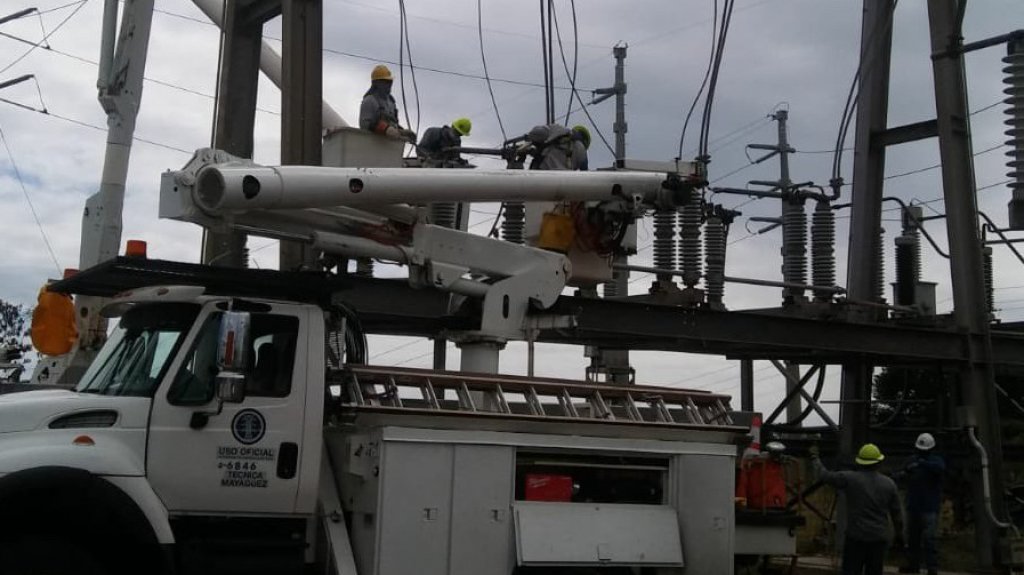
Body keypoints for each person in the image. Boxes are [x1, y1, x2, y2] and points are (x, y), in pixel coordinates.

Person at [810, 443, 904, 575]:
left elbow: (824, 475)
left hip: (856, 538)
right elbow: (897, 515)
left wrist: (815, 458)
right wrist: (899, 536)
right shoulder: (889, 484)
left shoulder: (849, 478)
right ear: (878, 462)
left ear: (860, 462)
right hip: (878, 539)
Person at [898, 433, 945, 575]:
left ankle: (932, 568)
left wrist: (922, 464)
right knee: (913, 539)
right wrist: (905, 471)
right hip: (914, 506)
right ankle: (913, 566)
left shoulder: (936, 461)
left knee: (929, 539)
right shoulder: (911, 460)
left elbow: (940, 469)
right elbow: (903, 474)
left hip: (929, 508)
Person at [359, 64, 415, 142]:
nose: (388, 85)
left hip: (391, 147)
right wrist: (385, 129)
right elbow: (365, 125)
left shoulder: (391, 103)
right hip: (373, 145)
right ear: (376, 83)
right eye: (385, 82)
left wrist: (402, 132)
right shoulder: (369, 101)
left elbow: (393, 125)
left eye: (390, 82)